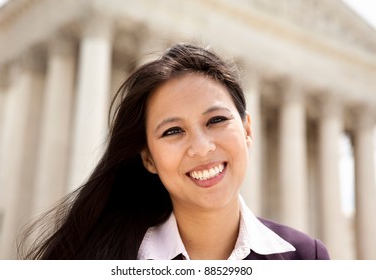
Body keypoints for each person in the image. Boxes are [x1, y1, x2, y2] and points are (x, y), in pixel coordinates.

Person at [19, 43, 330, 260]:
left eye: (216, 120)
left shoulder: (305, 259)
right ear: (148, 158)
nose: (202, 147)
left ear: (247, 130)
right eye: (173, 131)